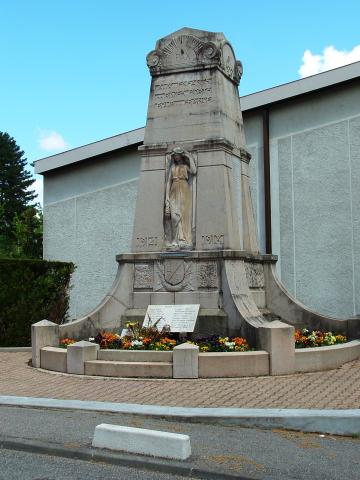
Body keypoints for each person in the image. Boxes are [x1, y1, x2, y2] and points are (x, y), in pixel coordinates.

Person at [164, 147, 196, 249]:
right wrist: (167, 198)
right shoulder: (172, 168)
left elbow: (194, 171)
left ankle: (184, 240)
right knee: (174, 216)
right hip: (174, 190)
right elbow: (168, 182)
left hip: (184, 189)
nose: (176, 157)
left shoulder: (185, 166)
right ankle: (175, 239)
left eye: (177, 155)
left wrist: (189, 157)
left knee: (184, 215)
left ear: (181, 155)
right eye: (174, 155)